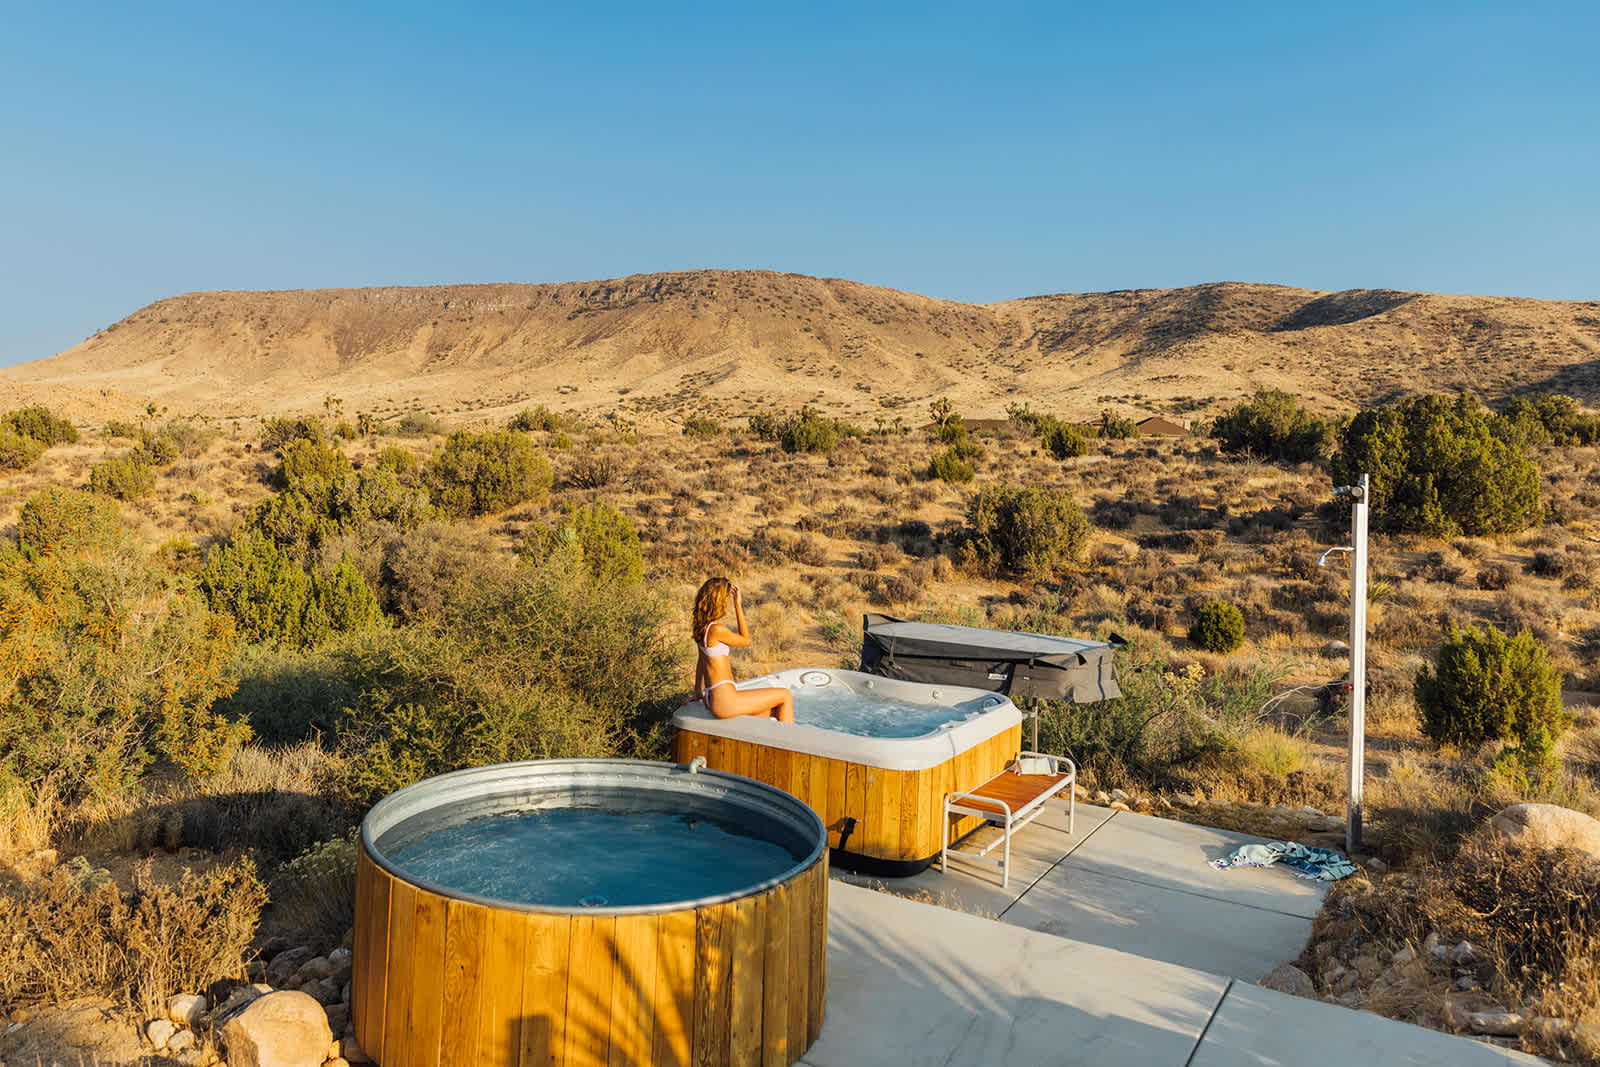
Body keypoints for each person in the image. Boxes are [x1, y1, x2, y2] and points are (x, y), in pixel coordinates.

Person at [690, 577, 794, 722]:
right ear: (719, 601)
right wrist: (738, 605)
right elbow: (745, 639)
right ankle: (786, 743)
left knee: (777, 711)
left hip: (713, 698)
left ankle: (778, 743)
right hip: (725, 701)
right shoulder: (716, 630)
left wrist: (697, 691)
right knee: (785, 695)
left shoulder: (702, 629)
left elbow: (701, 661)